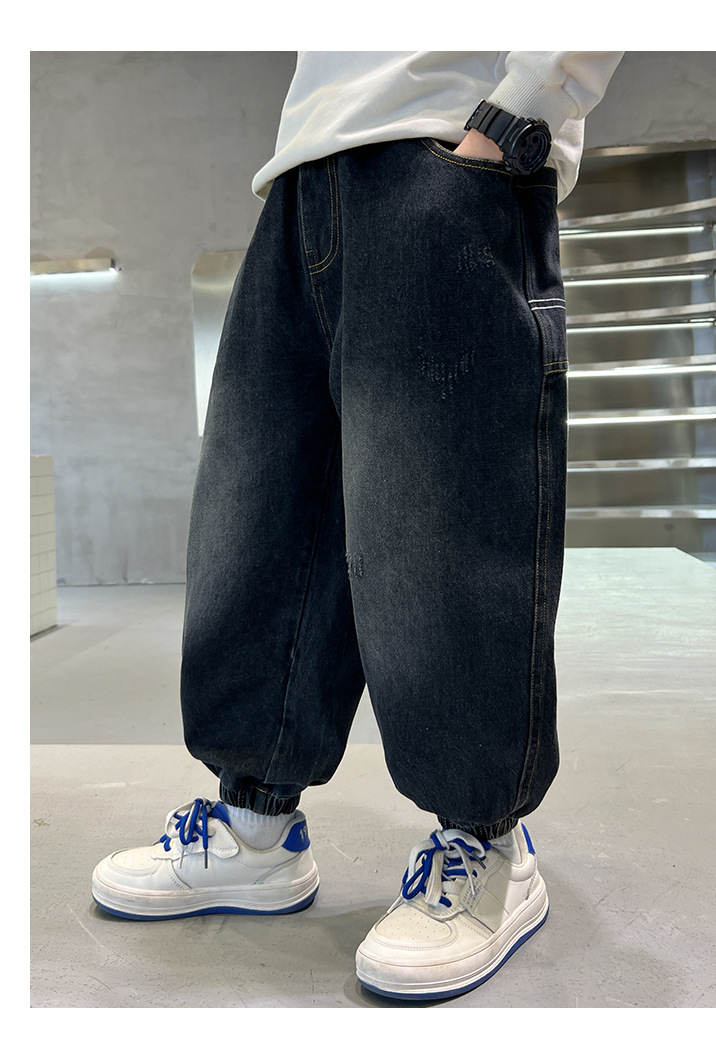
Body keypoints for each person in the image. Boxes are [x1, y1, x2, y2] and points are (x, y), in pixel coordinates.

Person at [91, 51, 623, 1002]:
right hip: (303, 174)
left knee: (441, 524)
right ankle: (255, 826)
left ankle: (487, 845)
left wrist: (528, 103)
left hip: (449, 147)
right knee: (262, 516)